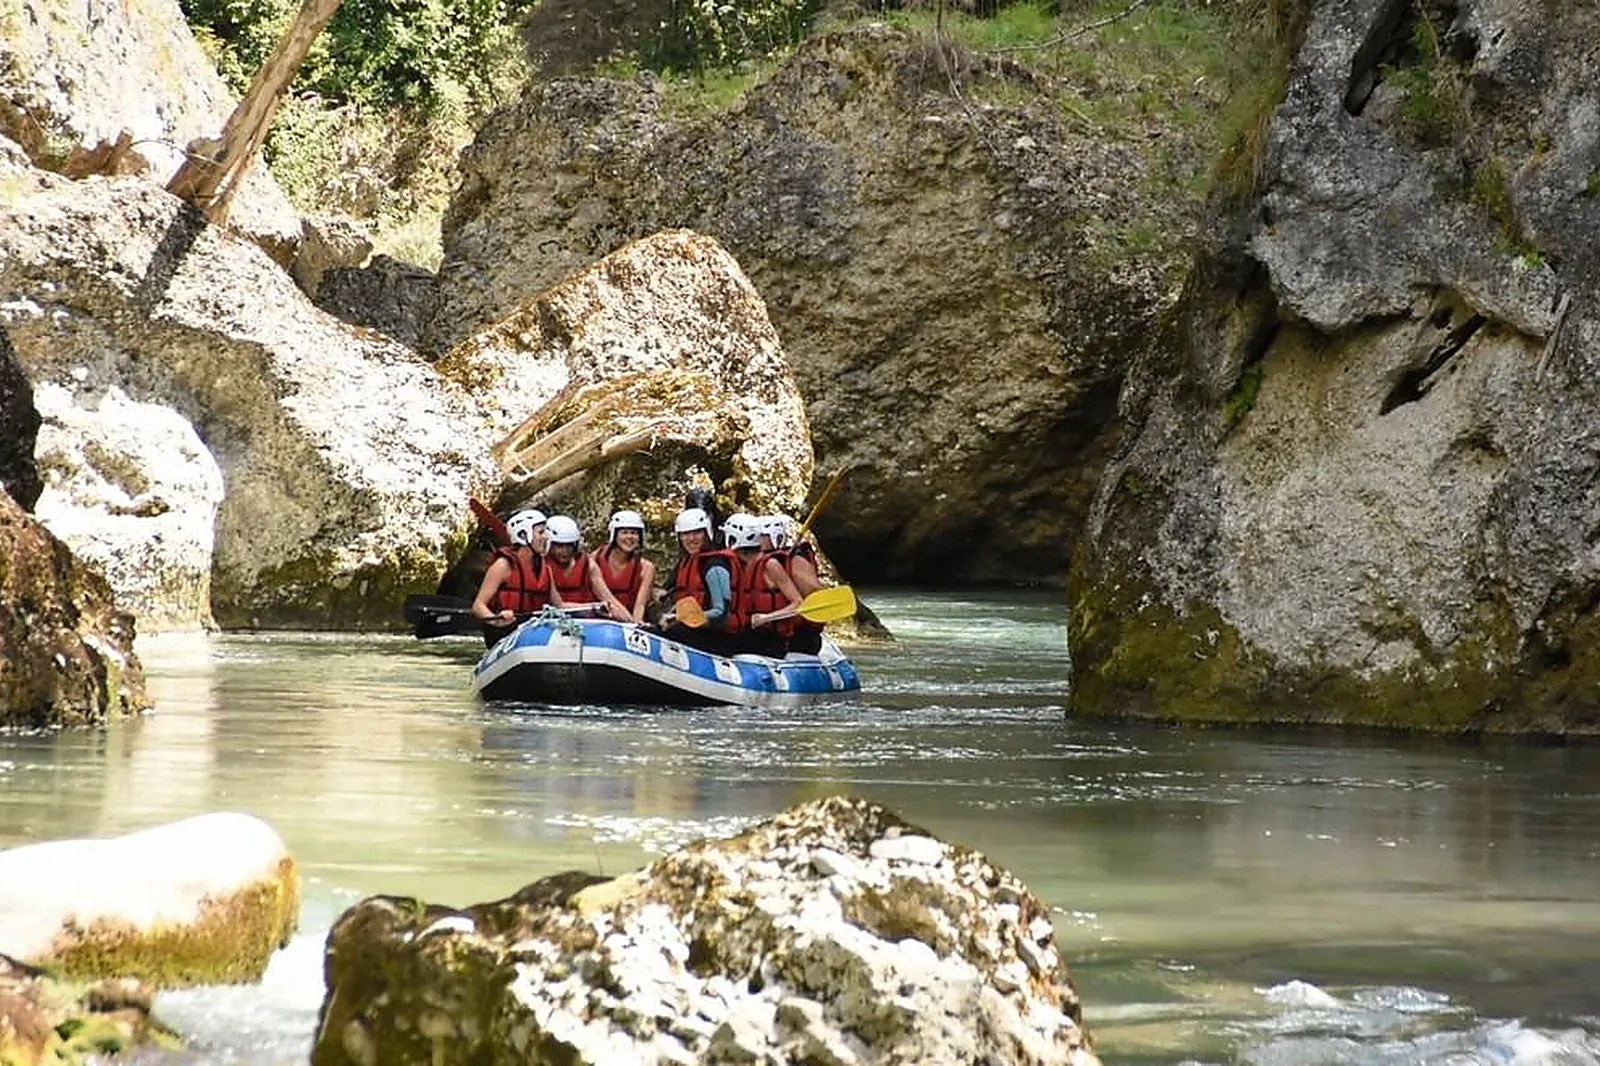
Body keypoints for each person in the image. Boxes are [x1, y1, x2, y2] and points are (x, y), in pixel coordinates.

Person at [659, 506, 735, 654]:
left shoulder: (714, 566)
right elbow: (666, 593)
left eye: (697, 533)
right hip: (690, 629)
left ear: (706, 534)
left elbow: (721, 613)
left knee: (672, 632)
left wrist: (681, 617)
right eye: (685, 534)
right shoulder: (685, 562)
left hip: (715, 636)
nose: (691, 538)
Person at [470, 508, 549, 645]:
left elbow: (559, 604)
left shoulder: (543, 566)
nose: (546, 537)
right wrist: (496, 619)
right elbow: (478, 606)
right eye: (541, 532)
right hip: (504, 634)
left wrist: (594, 606)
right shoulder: (503, 565)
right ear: (524, 535)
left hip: (533, 633)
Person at [728, 516, 802, 658]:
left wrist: (766, 617)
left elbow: (798, 603)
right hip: (752, 632)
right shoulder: (738, 565)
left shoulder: (770, 565)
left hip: (773, 639)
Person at [764, 513, 827, 654]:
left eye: (762, 535)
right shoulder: (755, 562)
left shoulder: (796, 562)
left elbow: (815, 597)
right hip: (766, 635)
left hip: (799, 639)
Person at [593, 509, 655, 623]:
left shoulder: (647, 568)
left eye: (634, 533)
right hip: (598, 619)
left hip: (627, 623)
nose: (630, 537)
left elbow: (640, 605)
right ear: (614, 534)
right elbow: (604, 596)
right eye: (625, 532)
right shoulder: (594, 559)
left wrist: (635, 623)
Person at [543, 515, 597, 607]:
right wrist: (593, 606)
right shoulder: (542, 566)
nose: (565, 552)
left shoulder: (589, 565)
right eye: (559, 546)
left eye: (569, 546)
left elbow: (607, 597)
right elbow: (558, 605)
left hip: (585, 619)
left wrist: (629, 620)